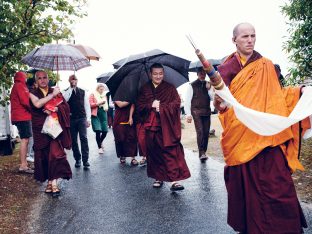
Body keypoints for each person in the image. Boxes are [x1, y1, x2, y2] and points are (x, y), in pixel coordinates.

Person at [214, 22, 309, 233]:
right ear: (234, 40)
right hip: (242, 136)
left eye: (253, 36)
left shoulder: (266, 65)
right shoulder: (225, 70)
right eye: (245, 36)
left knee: (279, 184)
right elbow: (220, 103)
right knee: (246, 187)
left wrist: (299, 92)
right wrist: (219, 104)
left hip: (268, 136)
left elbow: (279, 95)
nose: (250, 40)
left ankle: (286, 227)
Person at [136, 63, 191, 191]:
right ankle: (158, 177)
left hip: (167, 126)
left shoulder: (170, 88)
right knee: (154, 153)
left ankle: (174, 181)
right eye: (155, 73)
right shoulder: (144, 89)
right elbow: (139, 107)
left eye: (160, 73)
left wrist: (162, 107)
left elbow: (176, 104)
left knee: (170, 152)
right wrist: (150, 104)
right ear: (150, 74)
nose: (158, 76)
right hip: (151, 126)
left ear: (163, 74)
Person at [30, 70, 72, 197]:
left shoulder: (56, 92)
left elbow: (66, 108)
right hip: (40, 129)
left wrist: (57, 109)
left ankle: (54, 183)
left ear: (48, 79)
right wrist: (52, 95)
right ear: (36, 81)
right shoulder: (32, 93)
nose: (42, 80)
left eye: (45, 77)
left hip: (54, 128)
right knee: (44, 156)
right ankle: (49, 182)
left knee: (55, 154)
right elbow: (37, 104)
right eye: (39, 78)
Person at [184, 67, 214, 162]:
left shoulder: (208, 84)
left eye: (204, 72)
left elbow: (213, 98)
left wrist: (209, 89)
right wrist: (188, 114)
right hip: (196, 111)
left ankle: (204, 151)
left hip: (206, 111)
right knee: (200, 131)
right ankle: (201, 152)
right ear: (197, 74)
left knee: (206, 132)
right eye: (200, 72)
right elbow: (187, 101)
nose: (202, 74)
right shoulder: (191, 85)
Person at [62, 74, 91, 169]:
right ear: (69, 80)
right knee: (73, 140)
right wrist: (71, 88)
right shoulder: (65, 91)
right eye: (72, 79)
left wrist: (88, 119)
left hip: (82, 118)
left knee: (84, 138)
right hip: (71, 119)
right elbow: (65, 100)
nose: (74, 81)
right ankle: (77, 159)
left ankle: (85, 160)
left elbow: (87, 105)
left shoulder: (83, 91)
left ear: (77, 80)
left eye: (75, 79)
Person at [10, 71, 34, 173]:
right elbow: (25, 101)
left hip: (19, 116)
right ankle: (23, 165)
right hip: (22, 116)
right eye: (25, 76)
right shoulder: (20, 85)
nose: (26, 78)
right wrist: (33, 109)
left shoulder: (16, 85)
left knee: (25, 139)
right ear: (22, 77)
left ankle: (24, 164)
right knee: (24, 140)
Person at [113, 101, 139, 165]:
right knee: (120, 137)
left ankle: (133, 157)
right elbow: (120, 105)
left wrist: (130, 117)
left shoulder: (130, 92)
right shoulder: (116, 93)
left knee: (132, 137)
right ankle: (122, 155)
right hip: (119, 117)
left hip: (130, 116)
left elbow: (133, 105)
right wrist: (131, 99)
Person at [89, 83, 109, 154]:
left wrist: (106, 107)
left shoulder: (104, 95)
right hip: (96, 114)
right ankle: (99, 147)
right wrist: (98, 103)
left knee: (105, 131)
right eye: (100, 88)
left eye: (102, 89)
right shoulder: (92, 94)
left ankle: (100, 142)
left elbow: (106, 104)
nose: (101, 90)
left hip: (103, 114)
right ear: (97, 88)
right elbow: (90, 105)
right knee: (98, 131)